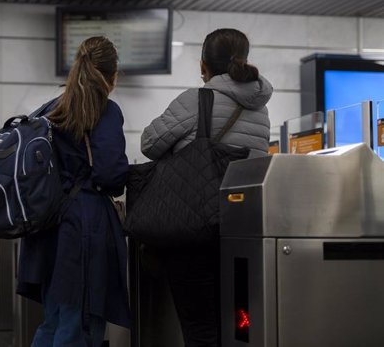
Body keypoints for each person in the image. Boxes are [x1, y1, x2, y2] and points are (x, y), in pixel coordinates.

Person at [140, 28, 273, 346]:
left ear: (203, 66)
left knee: (200, 328)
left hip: (194, 227)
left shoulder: (195, 100)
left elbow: (149, 143)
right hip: (242, 231)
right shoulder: (261, 108)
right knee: (238, 327)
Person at [17, 36, 130, 347]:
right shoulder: (104, 109)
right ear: (112, 75)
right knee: (78, 325)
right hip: (82, 227)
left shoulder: (48, 109)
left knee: (53, 321)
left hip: (46, 227)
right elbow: (111, 173)